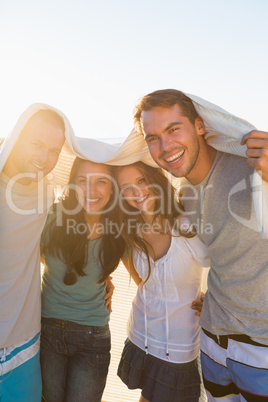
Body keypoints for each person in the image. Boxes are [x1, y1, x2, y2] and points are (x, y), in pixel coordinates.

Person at [132, 89, 268, 401]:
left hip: (261, 346)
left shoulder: (252, 168)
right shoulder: (183, 196)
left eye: (173, 129)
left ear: (200, 126)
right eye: (152, 138)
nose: (165, 147)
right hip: (211, 342)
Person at [115, 161, 209, 402]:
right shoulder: (130, 228)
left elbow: (223, 265)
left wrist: (213, 298)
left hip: (178, 349)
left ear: (155, 179)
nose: (136, 193)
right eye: (126, 187)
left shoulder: (186, 225)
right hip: (141, 334)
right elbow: (134, 270)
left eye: (141, 181)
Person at [40, 157, 125, 402]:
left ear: (112, 187)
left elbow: (146, 274)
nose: (91, 190)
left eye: (101, 181)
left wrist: (106, 278)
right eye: (82, 181)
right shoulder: (53, 216)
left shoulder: (119, 228)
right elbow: (34, 257)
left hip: (93, 335)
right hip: (48, 329)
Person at [0, 106, 68, 402]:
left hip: (22, 343)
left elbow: (41, 248)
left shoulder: (46, 192)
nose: (44, 158)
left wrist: (98, 278)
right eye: (36, 144)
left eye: (54, 151)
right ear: (17, 137)